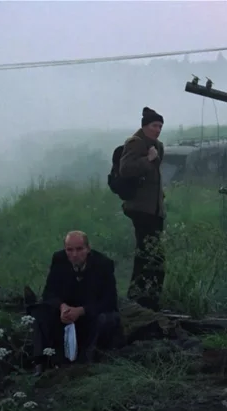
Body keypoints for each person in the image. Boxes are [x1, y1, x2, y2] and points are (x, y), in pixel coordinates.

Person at [30, 231, 125, 376]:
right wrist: (62, 307)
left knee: (106, 319)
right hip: (67, 311)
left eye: (79, 249)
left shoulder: (103, 264)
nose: (74, 254)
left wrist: (81, 311)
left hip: (90, 312)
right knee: (39, 312)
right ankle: (40, 361)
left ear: (88, 248)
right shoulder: (59, 259)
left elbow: (109, 301)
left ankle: (87, 359)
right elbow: (49, 293)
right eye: (70, 250)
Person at [119, 107, 167, 312]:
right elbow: (125, 169)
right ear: (145, 126)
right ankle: (141, 299)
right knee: (150, 255)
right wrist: (147, 159)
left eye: (160, 126)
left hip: (154, 209)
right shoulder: (135, 142)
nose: (158, 130)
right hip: (140, 209)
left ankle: (145, 298)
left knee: (149, 254)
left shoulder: (157, 145)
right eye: (154, 126)